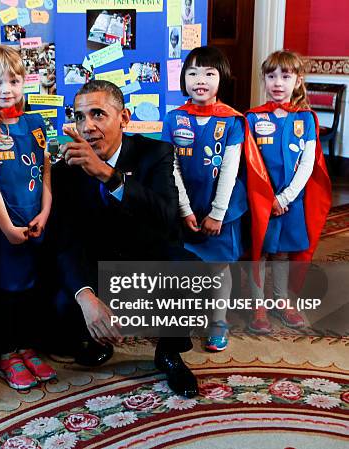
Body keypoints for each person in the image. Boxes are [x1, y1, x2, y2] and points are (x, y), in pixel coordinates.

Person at [48, 79, 199, 398]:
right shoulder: (65, 170)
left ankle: (168, 352)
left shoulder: (156, 153)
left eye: (98, 114)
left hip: (145, 259)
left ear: (124, 118)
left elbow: (166, 215)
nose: (87, 126)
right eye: (79, 116)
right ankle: (94, 335)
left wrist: (106, 173)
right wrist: (86, 298)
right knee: (62, 303)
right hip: (98, 265)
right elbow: (65, 240)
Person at [0, 45, 56, 390]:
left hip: (36, 221)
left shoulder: (36, 122)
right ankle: (6, 353)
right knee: (6, 290)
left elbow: (46, 170)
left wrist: (46, 213)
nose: (6, 89)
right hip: (3, 226)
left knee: (31, 289)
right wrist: (6, 226)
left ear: (24, 82)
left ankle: (27, 346)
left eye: (13, 80)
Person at [162, 46, 251, 352]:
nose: (200, 79)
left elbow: (230, 169)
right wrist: (184, 208)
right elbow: (170, 166)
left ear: (221, 78)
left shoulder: (232, 121)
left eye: (209, 73)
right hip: (184, 205)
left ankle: (218, 321)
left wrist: (218, 212)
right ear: (183, 79)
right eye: (193, 73)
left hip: (221, 208)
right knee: (186, 266)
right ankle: (183, 319)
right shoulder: (174, 119)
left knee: (218, 267)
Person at [245, 51, 331, 333]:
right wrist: (267, 199)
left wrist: (284, 198)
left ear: (297, 81)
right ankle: (258, 305)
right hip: (260, 202)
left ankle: (281, 301)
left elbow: (308, 164)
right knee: (260, 252)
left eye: (285, 76)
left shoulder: (306, 119)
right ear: (264, 80)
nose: (278, 83)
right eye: (271, 76)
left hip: (290, 201)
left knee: (282, 253)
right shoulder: (253, 118)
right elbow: (249, 162)